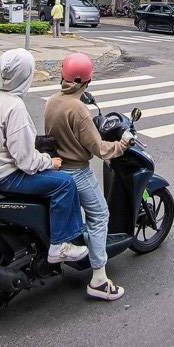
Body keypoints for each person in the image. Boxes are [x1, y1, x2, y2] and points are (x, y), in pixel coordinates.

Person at [0, 49, 89, 264]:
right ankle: (60, 244)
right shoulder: (14, 106)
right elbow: (25, 160)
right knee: (65, 184)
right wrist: (49, 162)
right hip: (5, 177)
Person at [44, 52, 132, 301]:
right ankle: (99, 279)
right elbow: (100, 149)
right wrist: (123, 144)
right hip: (77, 172)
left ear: (63, 76)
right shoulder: (78, 109)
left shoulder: (51, 101)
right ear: (86, 82)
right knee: (100, 215)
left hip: (55, 168)